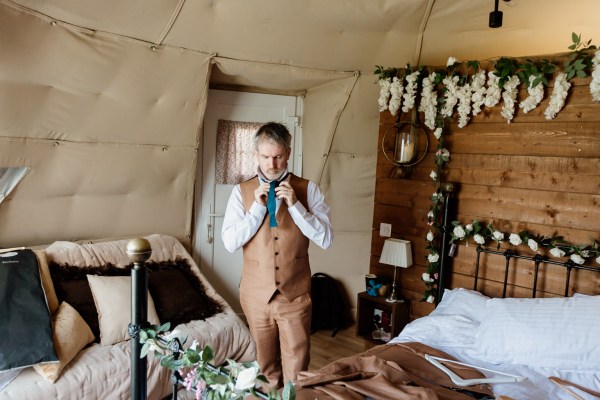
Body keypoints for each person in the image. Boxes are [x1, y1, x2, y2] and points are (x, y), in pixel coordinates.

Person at [221, 121, 333, 389]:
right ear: (256, 155)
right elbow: (229, 242)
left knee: (297, 371)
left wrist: (296, 206)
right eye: (265, 157)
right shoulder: (241, 192)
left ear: (289, 153)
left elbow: (326, 239)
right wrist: (256, 211)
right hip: (255, 296)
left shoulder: (309, 190)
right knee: (265, 370)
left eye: (278, 157)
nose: (272, 164)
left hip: (295, 296)